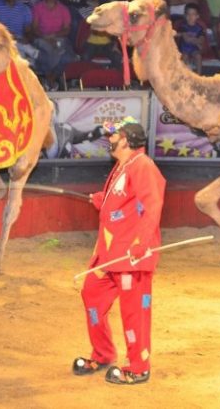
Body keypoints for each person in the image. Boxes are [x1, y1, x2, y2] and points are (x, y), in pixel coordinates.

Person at [74, 117, 165, 386]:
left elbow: (152, 205)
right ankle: (103, 354)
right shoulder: (123, 166)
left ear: (125, 139)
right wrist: (102, 201)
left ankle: (138, 366)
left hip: (131, 258)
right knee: (92, 294)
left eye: (114, 135)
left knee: (133, 311)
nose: (109, 139)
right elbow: (123, 203)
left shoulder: (143, 166)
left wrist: (142, 244)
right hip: (109, 255)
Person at [32, 0, 75, 90]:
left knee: (68, 58)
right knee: (55, 52)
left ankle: (50, 77)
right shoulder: (37, 7)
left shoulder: (63, 9)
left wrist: (54, 36)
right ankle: (51, 79)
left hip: (58, 38)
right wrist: (45, 37)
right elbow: (34, 27)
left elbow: (66, 29)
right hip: (42, 38)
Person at [178, 3, 204, 73]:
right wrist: (196, 41)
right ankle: (185, 76)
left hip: (194, 48)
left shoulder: (199, 28)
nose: (190, 16)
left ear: (197, 16)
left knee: (198, 56)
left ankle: (199, 76)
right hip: (184, 48)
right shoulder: (183, 26)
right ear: (185, 15)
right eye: (188, 14)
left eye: (193, 14)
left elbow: (201, 40)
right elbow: (186, 39)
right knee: (184, 57)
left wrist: (196, 41)